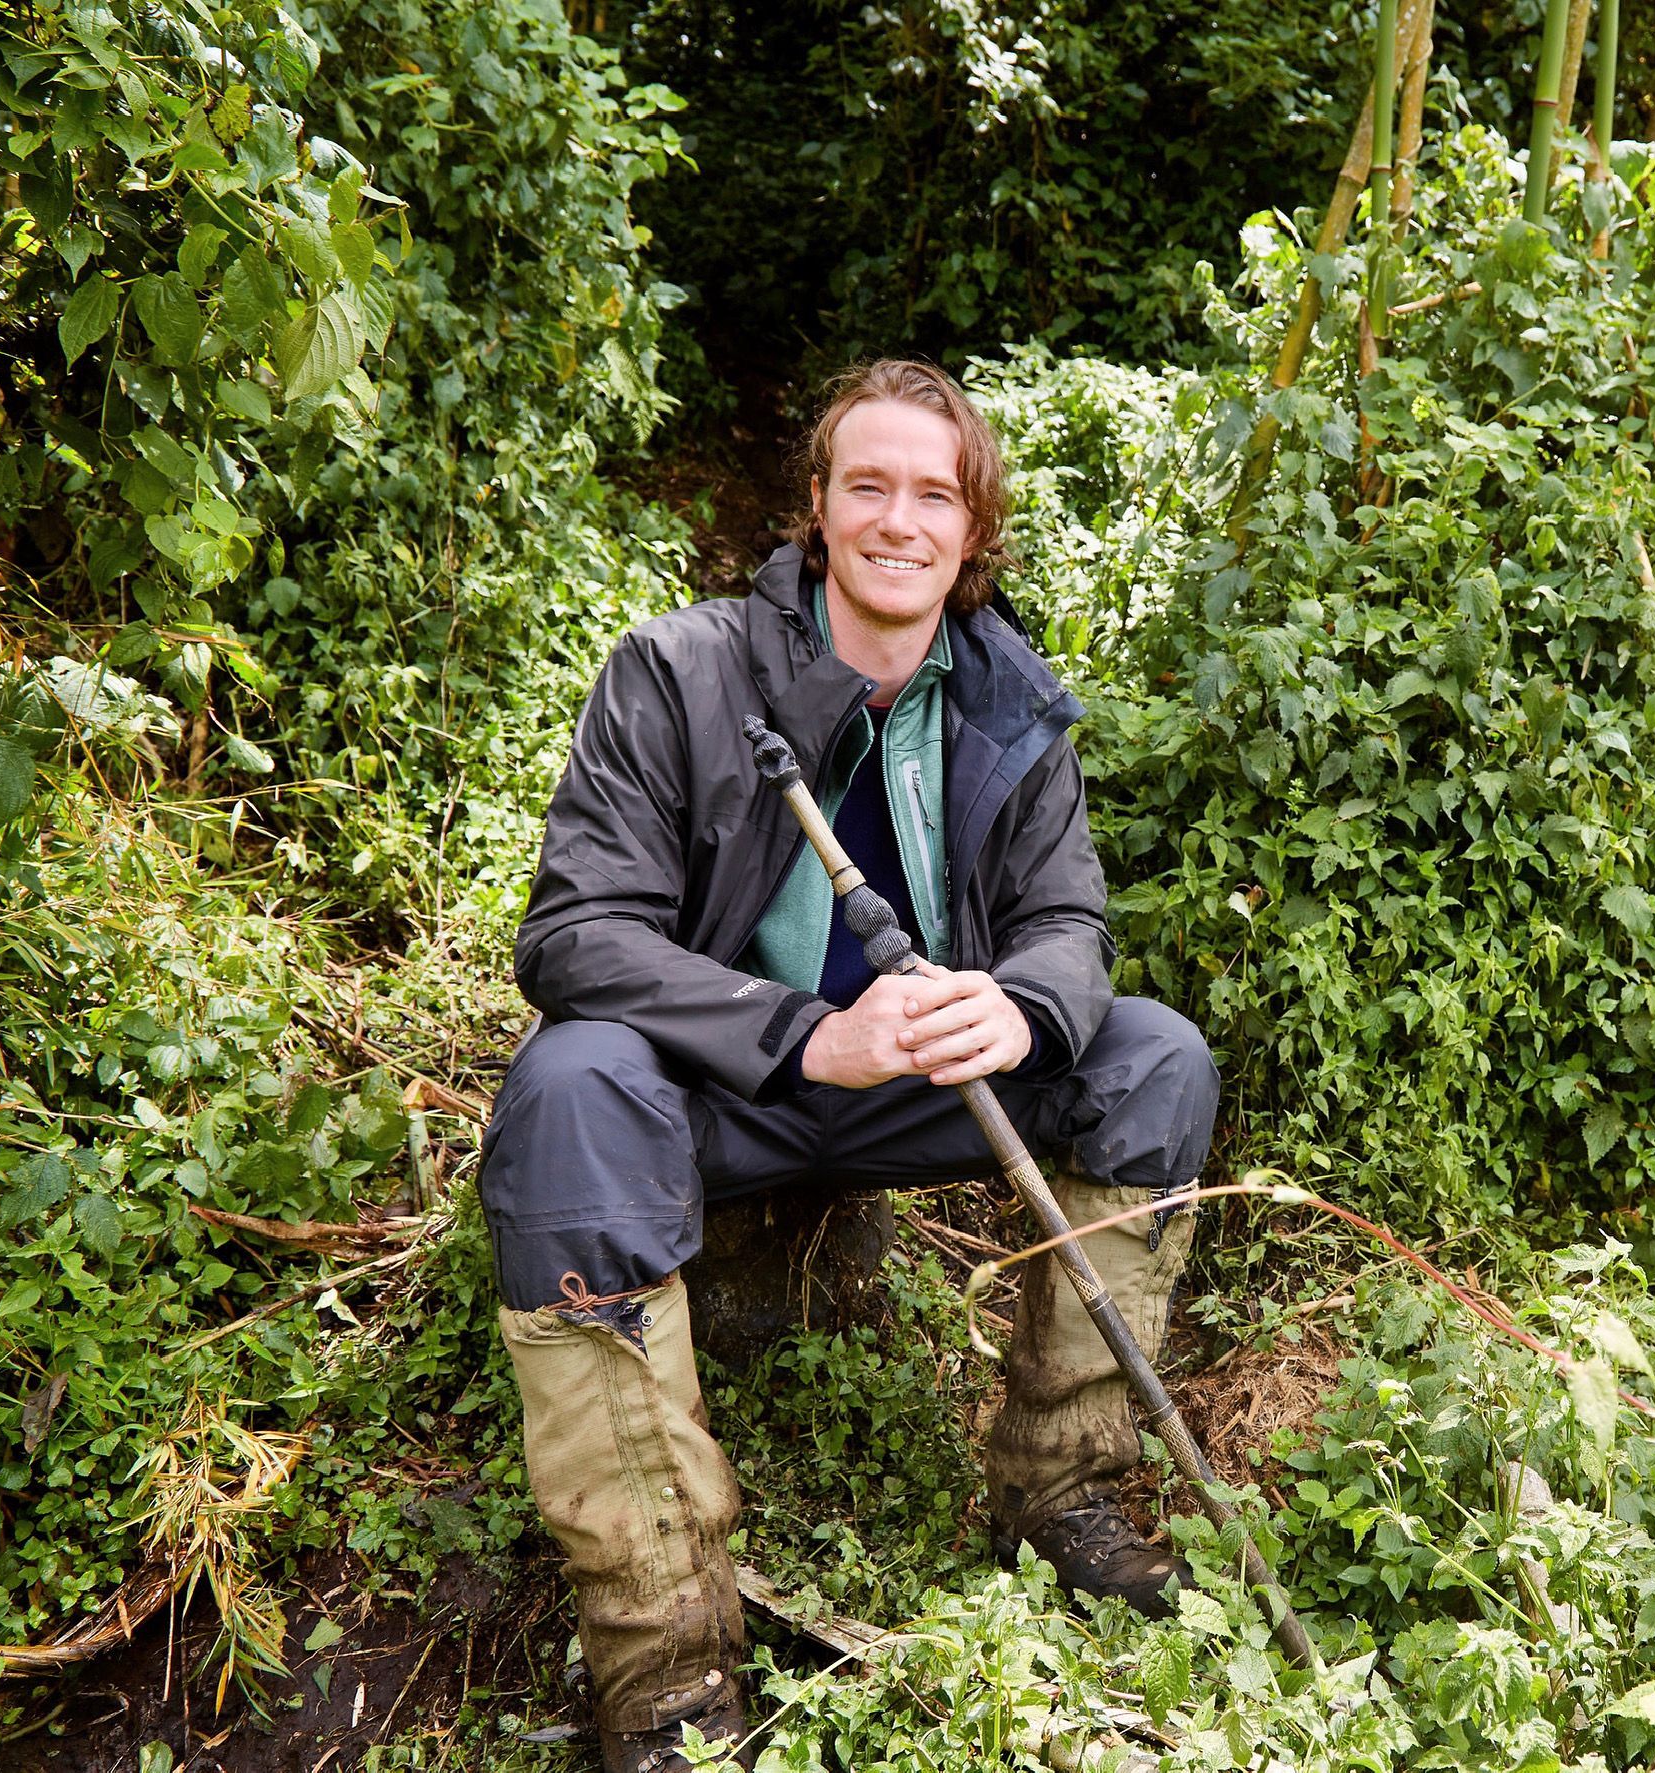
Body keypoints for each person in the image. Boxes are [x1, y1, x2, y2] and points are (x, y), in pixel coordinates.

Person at [477, 360, 1219, 1773]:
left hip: (930, 1097)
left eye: (932, 492)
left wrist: (1019, 1009)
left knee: (1153, 1056)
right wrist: (803, 1033)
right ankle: (662, 1650)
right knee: (567, 1087)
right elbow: (575, 934)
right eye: (865, 485)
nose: (898, 519)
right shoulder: (680, 669)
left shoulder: (1011, 698)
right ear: (813, 509)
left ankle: (1055, 1490)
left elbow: (1072, 923)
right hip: (714, 1098)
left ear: (973, 526)